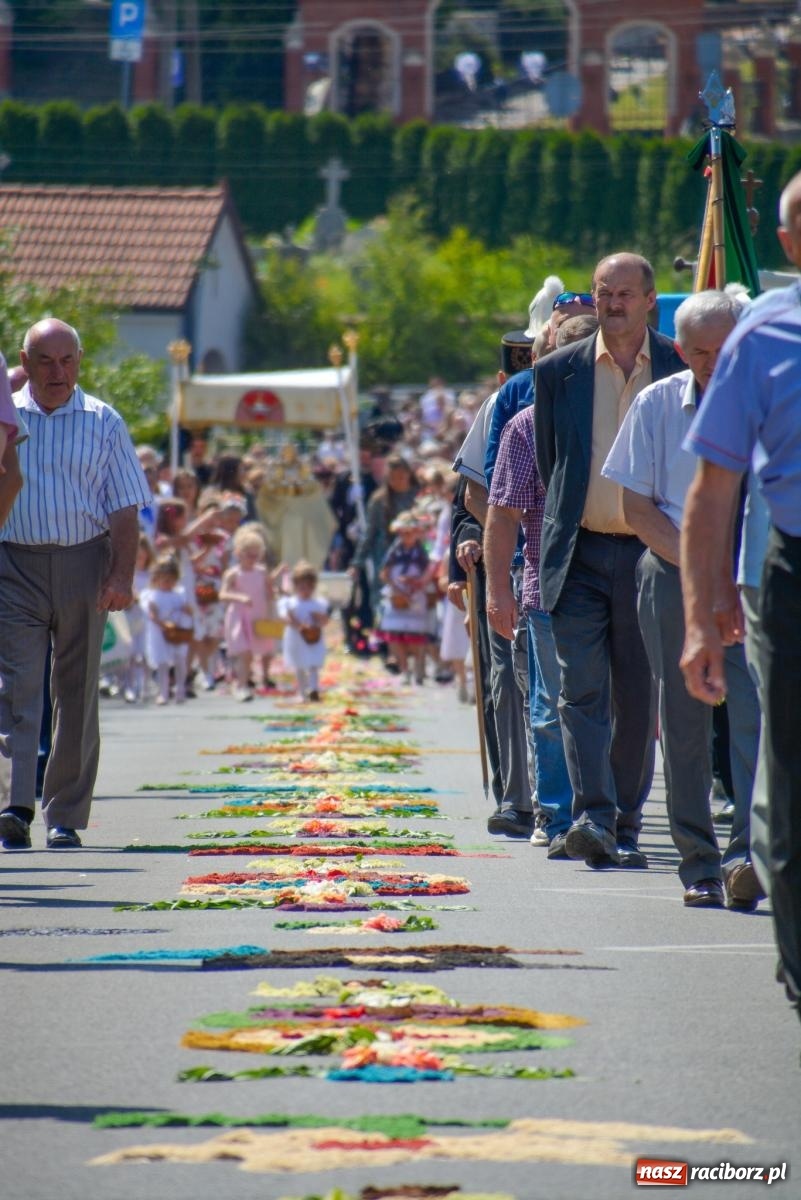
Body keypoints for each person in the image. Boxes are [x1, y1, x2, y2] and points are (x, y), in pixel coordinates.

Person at [680, 171, 801, 1020]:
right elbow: (712, 487)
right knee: (787, 778)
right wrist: (700, 614)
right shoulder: (761, 335)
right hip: (792, 573)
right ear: (789, 241)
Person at [602, 290, 761, 908]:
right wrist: (702, 572)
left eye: (724, 351)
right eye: (698, 353)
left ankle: (747, 854)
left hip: (753, 573)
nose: (712, 364)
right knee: (687, 720)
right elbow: (636, 507)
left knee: (751, 718)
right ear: (678, 349)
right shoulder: (657, 403)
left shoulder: (771, 400)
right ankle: (698, 860)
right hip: (672, 573)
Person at [534, 253, 684, 869]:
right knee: (580, 689)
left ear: (650, 299)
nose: (613, 303)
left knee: (635, 693)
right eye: (603, 293)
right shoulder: (558, 371)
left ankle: (624, 816)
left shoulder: (681, 366)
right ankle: (591, 816)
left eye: (625, 293)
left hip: (653, 554)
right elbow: (554, 466)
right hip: (581, 552)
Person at [0, 318, 150, 850]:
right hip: (14, 563)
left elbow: (125, 505)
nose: (57, 372)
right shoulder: (7, 417)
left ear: (80, 362)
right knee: (18, 687)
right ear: (25, 361)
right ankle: (15, 806)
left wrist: (120, 575)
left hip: (84, 561)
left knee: (77, 690)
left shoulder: (103, 421)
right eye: (45, 360)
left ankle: (63, 812)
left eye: (67, 361)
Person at [219, 525, 281, 700]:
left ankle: (255, 679)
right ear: (238, 553)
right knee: (244, 651)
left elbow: (270, 593)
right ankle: (242, 685)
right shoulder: (232, 573)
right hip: (238, 616)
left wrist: (273, 608)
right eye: (249, 555)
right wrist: (239, 598)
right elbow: (223, 594)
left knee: (259, 651)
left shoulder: (262, 572)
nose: (253, 559)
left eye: (256, 555)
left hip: (257, 615)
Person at [376, 511, 436, 685]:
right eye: (402, 533)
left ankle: (418, 668)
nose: (405, 536)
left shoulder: (423, 550)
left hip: (416, 595)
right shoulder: (394, 550)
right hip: (397, 595)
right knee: (395, 635)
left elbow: (430, 570)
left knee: (416, 635)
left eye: (409, 532)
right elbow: (384, 573)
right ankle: (404, 669)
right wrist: (397, 588)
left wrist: (417, 583)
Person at [140, 554, 193, 705]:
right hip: (159, 632)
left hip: (177, 630)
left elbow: (189, 610)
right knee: (162, 663)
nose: (167, 583)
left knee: (180, 660)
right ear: (156, 579)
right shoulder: (151, 595)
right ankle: (163, 692)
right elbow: (152, 614)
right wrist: (163, 624)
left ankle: (180, 689)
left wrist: (184, 611)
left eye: (171, 580)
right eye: (164, 579)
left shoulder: (179, 594)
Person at [278, 561, 330, 702]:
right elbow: (284, 618)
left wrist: (318, 619)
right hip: (296, 638)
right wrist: (295, 623)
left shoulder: (318, 603)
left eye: (309, 587)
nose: (305, 591)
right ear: (295, 586)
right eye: (302, 587)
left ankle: (314, 689)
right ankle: (302, 692)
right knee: (299, 665)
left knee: (313, 664)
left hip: (313, 638)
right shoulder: (290, 603)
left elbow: (325, 621)